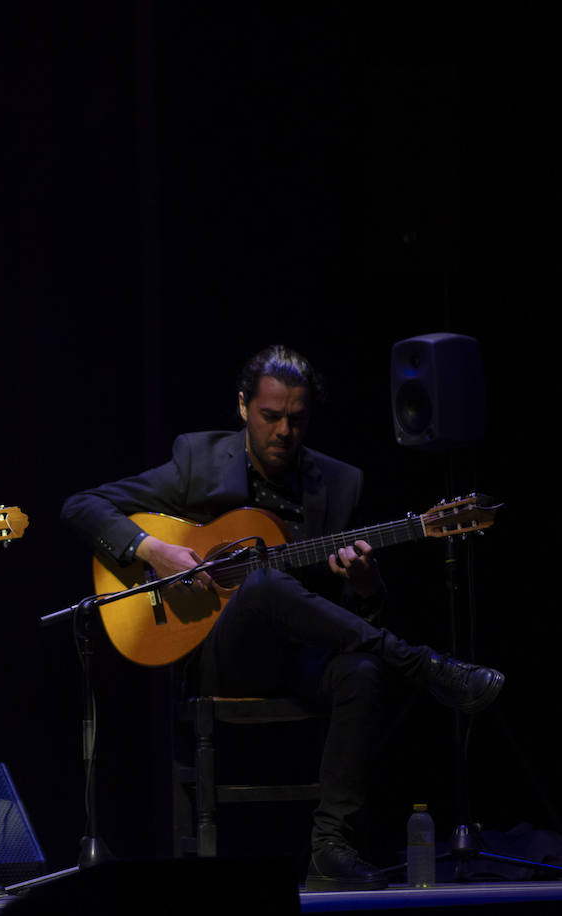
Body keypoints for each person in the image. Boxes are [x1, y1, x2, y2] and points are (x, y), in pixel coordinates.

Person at [61, 344, 503, 892]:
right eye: (270, 416)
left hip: (300, 659)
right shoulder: (198, 459)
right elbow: (81, 505)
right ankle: (422, 665)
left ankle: (331, 845)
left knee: (361, 671)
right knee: (264, 582)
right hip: (222, 655)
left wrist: (365, 587)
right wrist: (156, 550)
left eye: (297, 419)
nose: (284, 432)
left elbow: (341, 617)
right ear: (243, 407)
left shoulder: (340, 483)